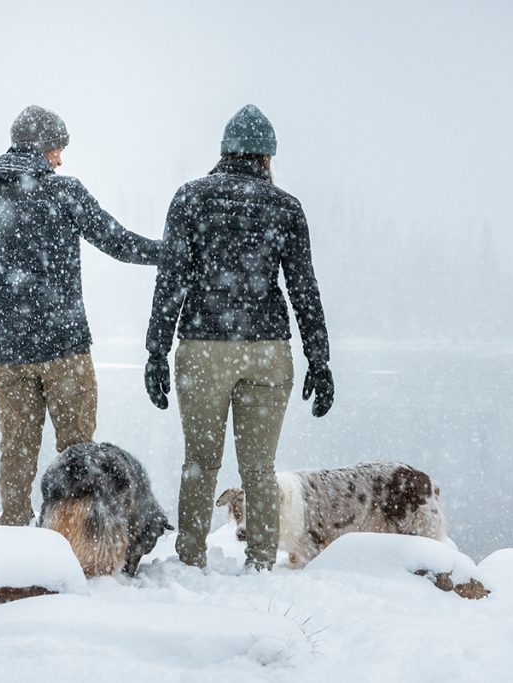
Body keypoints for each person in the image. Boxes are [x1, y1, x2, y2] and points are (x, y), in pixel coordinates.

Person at [0, 105, 161, 526]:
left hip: (6, 353)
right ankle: (77, 537)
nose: (61, 159)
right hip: (64, 349)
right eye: (58, 149)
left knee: (16, 450)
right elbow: (116, 241)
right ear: (44, 148)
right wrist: (168, 253)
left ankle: (14, 529)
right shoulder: (65, 192)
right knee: (79, 455)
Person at [144, 104, 334, 570]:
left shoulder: (190, 198)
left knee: (200, 462)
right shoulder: (285, 207)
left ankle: (190, 557)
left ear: (225, 151)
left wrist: (155, 351)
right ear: (266, 158)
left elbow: (171, 281)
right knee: (259, 469)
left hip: (203, 349)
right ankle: (262, 563)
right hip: (268, 351)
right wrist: (320, 359)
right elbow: (303, 287)